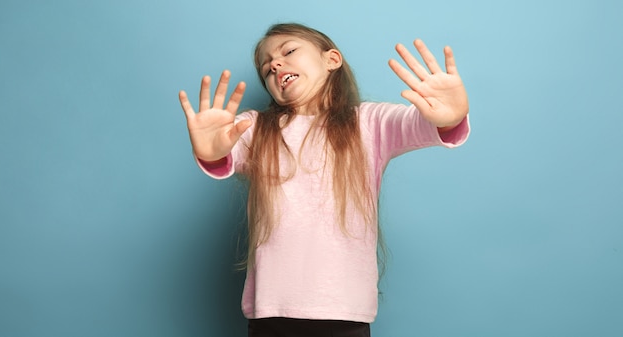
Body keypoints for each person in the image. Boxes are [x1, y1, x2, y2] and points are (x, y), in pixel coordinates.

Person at [178, 23, 470, 337]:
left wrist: (450, 115)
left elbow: (419, 124)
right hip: (272, 314)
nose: (275, 64)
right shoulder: (255, 128)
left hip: (345, 312)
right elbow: (225, 147)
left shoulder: (369, 123)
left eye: (288, 51)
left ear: (331, 60)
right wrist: (211, 152)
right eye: (266, 68)